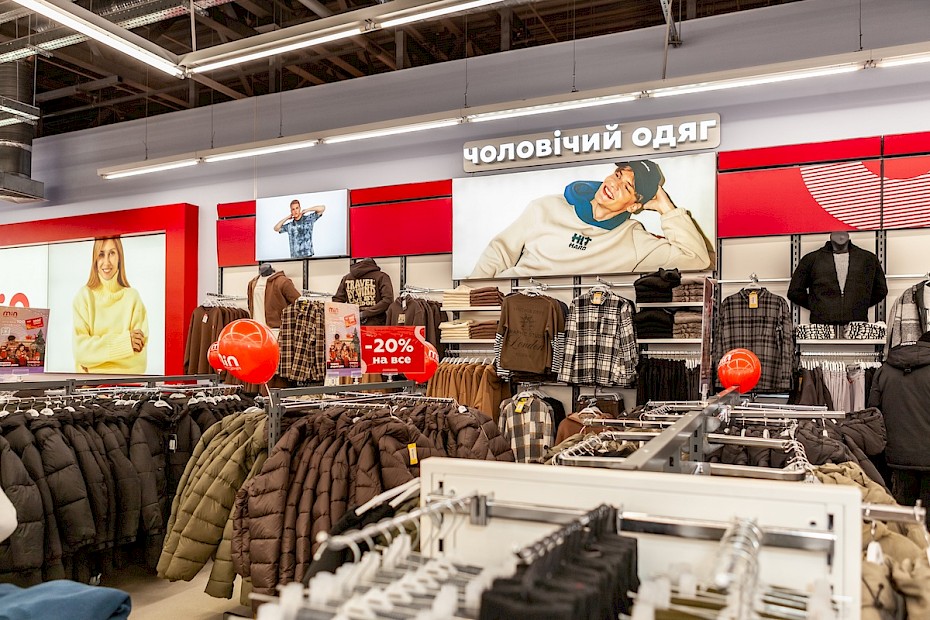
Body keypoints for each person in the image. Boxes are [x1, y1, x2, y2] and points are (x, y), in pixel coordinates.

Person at [468, 160, 712, 278]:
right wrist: (472, 302)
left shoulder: (634, 240)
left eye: (627, 187)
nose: (614, 184)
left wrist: (665, 207)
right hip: (512, 315)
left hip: (568, 330)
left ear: (634, 205)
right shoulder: (546, 207)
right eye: (618, 175)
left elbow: (697, 258)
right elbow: (498, 252)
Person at [72, 236, 149, 374]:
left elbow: (139, 362)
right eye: (101, 254)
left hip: (127, 386)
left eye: (112, 253)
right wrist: (126, 343)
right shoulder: (84, 296)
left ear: (120, 257)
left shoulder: (133, 298)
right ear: (95, 259)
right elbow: (80, 352)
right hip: (89, 386)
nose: (106, 262)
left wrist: (93, 364)